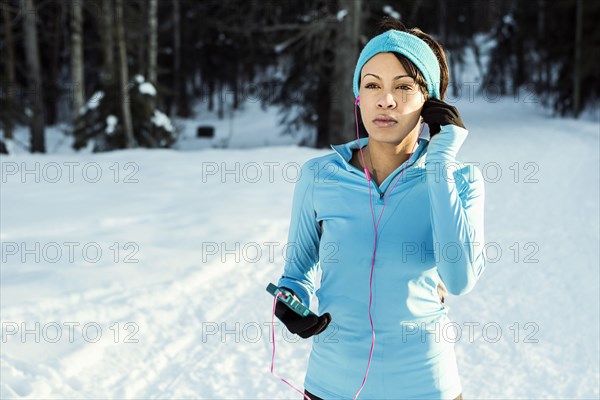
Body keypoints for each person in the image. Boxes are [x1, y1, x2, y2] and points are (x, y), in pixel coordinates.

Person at [274, 18, 485, 400]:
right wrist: (291, 302)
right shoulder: (319, 176)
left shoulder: (461, 179)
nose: (385, 100)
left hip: (427, 387)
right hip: (331, 385)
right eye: (372, 85)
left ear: (431, 102)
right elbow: (297, 272)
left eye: (403, 87)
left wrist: (439, 165)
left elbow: (459, 280)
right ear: (358, 95)